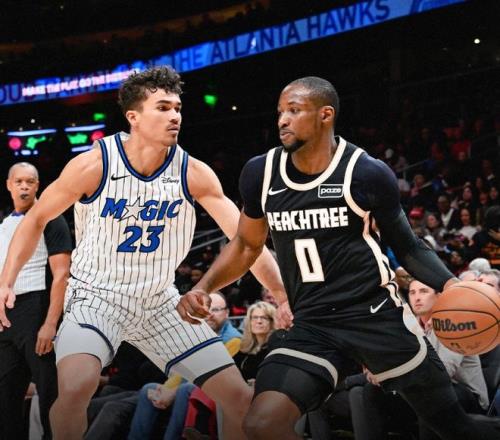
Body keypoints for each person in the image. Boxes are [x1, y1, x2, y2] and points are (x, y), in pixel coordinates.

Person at [179, 76, 500, 439]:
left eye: (294, 110)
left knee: (454, 428)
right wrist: (204, 286)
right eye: (280, 112)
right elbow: (245, 245)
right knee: (261, 424)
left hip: (375, 317)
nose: (282, 120)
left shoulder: (366, 172)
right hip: (313, 323)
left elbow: (408, 247)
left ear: (325, 115)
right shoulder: (260, 173)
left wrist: (452, 284)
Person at [0, 66, 287, 440]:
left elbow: (246, 241)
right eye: (163, 107)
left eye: (177, 108)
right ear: (133, 117)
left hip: (159, 301)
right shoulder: (94, 165)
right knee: (74, 388)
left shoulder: (193, 173)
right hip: (95, 298)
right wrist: (6, 280)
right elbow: (36, 219)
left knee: (240, 398)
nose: (175, 116)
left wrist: (281, 294)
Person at [0, 162, 72, 440]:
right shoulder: (5, 224)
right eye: (18, 181)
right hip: (8, 315)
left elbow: (62, 274)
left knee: (49, 395)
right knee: (6, 399)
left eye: (30, 182)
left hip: (37, 308)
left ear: (38, 186)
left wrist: (50, 323)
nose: (24, 187)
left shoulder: (51, 218)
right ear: (9, 185)